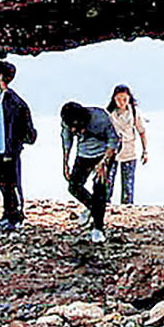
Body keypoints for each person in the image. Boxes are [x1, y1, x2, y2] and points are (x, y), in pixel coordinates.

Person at [0, 60, 36, 232]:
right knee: (3, 183)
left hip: (8, 150)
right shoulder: (0, 99)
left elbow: (13, 126)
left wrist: (10, 149)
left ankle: (16, 217)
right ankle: (7, 214)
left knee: (12, 183)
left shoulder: (11, 100)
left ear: (1, 76)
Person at [59, 102, 118, 243]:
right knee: (74, 187)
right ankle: (93, 208)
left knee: (99, 189)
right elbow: (67, 140)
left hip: (103, 153)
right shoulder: (67, 121)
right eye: (71, 127)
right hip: (84, 153)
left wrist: (103, 163)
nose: (74, 130)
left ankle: (98, 229)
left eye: (76, 127)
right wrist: (65, 162)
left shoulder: (100, 118)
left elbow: (113, 140)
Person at [107, 85, 149, 205]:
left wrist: (145, 151)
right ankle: (105, 206)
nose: (121, 102)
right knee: (108, 183)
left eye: (124, 99)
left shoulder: (134, 112)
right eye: (119, 99)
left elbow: (142, 132)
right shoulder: (109, 114)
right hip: (112, 152)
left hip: (129, 151)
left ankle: (127, 207)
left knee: (128, 185)